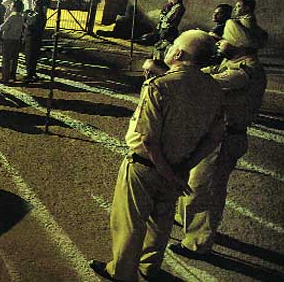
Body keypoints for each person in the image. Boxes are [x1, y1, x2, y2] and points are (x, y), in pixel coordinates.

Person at [89, 30, 225, 282]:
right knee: (160, 224)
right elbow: (214, 138)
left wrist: (164, 169)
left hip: (146, 166)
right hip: (179, 167)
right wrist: (182, 169)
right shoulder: (214, 89)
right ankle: (149, 268)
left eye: (174, 45)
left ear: (178, 53)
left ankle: (120, 272)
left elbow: (149, 138)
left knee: (129, 222)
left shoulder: (160, 86)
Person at [170, 19, 267, 259]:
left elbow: (201, 81)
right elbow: (208, 70)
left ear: (238, 45)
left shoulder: (244, 72)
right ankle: (187, 221)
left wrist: (174, 70)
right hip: (214, 134)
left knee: (205, 191)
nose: (220, 43)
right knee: (193, 181)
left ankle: (198, 243)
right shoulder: (233, 61)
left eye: (224, 40)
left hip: (224, 139)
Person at [0, 0, 24, 83]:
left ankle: (5, 77)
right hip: (16, 39)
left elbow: (2, 27)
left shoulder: (12, 16)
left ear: (14, 7)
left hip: (8, 39)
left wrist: (5, 18)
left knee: (6, 60)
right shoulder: (21, 17)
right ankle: (12, 75)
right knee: (14, 59)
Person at [23, 0, 47, 82]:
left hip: (32, 38)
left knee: (30, 56)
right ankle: (31, 72)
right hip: (34, 38)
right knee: (32, 56)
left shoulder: (39, 16)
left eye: (35, 5)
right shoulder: (37, 14)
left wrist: (24, 23)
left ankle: (30, 74)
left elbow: (30, 27)